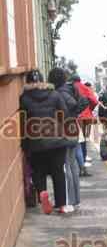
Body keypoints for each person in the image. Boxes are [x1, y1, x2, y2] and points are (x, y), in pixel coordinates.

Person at [20, 70, 74, 214]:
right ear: (43, 81)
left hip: (36, 143)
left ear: (27, 82)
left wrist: (25, 145)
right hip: (57, 141)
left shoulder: (24, 98)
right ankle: (61, 205)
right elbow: (65, 115)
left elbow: (23, 123)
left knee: (38, 171)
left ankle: (43, 193)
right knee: (58, 173)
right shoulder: (54, 94)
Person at [49, 68, 87, 211]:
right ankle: (75, 199)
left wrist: (69, 115)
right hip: (73, 129)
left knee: (66, 167)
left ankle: (68, 201)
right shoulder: (70, 89)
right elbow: (83, 103)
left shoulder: (61, 92)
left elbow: (72, 106)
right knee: (72, 165)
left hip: (65, 131)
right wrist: (74, 114)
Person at [71, 74, 98, 173]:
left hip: (76, 116)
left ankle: (79, 162)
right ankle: (83, 160)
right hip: (86, 117)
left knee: (78, 140)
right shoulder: (85, 88)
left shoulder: (71, 88)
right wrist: (90, 109)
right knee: (84, 139)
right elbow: (94, 101)